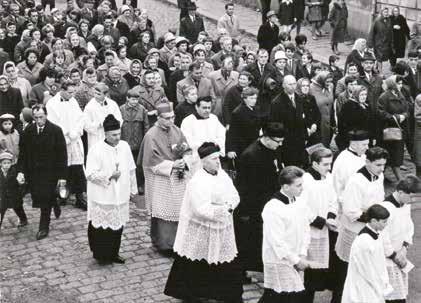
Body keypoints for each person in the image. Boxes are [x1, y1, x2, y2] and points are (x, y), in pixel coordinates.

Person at [164, 142, 243, 303]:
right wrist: (222, 210)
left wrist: (228, 207)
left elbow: (234, 195)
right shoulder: (197, 181)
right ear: (204, 161)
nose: (218, 162)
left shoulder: (222, 174)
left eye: (218, 158)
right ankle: (194, 294)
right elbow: (200, 208)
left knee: (223, 259)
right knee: (197, 260)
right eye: (214, 159)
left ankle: (227, 295)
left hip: (221, 226)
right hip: (201, 228)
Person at [334, 146, 388, 302]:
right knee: (347, 273)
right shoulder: (356, 181)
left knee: (368, 270)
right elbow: (350, 211)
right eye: (378, 165)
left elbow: (380, 198)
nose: (382, 169)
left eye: (384, 165)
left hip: (372, 228)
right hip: (355, 230)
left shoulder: (380, 176)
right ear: (367, 162)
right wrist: (373, 217)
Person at [86, 114, 137, 265]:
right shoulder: (96, 149)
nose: (117, 137)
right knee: (101, 228)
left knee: (118, 225)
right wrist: (109, 175)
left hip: (120, 193)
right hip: (103, 194)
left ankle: (114, 252)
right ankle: (101, 254)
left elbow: (131, 168)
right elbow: (90, 173)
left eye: (119, 134)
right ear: (106, 134)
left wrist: (133, 189)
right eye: (113, 135)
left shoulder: (125, 146)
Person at [139, 102, 191, 253]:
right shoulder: (151, 135)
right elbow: (150, 162)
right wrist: (172, 165)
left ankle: (178, 242)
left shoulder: (176, 130)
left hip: (178, 176)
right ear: (158, 118)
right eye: (167, 118)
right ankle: (164, 244)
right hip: (161, 179)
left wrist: (184, 160)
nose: (171, 121)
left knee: (179, 208)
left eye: (173, 117)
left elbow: (187, 149)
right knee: (163, 210)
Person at [259, 166, 315, 303]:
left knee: (285, 297)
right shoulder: (273, 208)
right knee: (282, 295)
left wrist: (301, 253)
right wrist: (295, 260)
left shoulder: (300, 202)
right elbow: (276, 241)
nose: (302, 188)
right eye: (298, 185)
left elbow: (306, 228)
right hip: (279, 260)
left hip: (296, 256)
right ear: (285, 187)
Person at [235, 122, 285, 275]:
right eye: (278, 141)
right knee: (252, 238)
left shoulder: (273, 147)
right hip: (255, 204)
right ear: (267, 138)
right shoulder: (250, 155)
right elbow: (245, 187)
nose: (280, 144)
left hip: (270, 199)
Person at [17, 104, 67, 240]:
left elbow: (62, 155)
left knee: (45, 200)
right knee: (39, 197)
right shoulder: (28, 131)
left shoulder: (56, 131)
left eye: (41, 117)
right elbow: (23, 153)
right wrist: (21, 171)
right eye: (36, 117)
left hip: (50, 172)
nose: (39, 120)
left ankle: (43, 227)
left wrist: (62, 177)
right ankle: (54, 201)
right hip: (34, 172)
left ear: (46, 115)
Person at [301, 148, 338, 302]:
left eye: (330, 164)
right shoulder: (305, 180)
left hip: (326, 230)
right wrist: (322, 222)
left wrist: (330, 216)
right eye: (325, 164)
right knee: (309, 273)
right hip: (311, 231)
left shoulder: (328, 177)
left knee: (320, 272)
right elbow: (303, 208)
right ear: (315, 164)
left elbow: (333, 200)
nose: (329, 168)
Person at [46, 80, 87, 210]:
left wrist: (76, 132)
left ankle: (79, 197)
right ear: (62, 90)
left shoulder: (73, 101)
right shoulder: (52, 104)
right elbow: (53, 122)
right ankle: (61, 195)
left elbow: (80, 118)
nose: (72, 95)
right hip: (61, 139)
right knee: (62, 167)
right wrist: (67, 133)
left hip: (74, 139)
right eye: (70, 92)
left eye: (74, 92)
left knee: (77, 167)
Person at [341, 204, 393, 303]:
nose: (386, 224)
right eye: (384, 222)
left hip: (374, 282)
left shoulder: (377, 234)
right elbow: (366, 270)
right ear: (373, 221)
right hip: (363, 284)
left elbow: (380, 261)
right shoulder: (364, 241)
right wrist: (379, 288)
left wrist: (384, 282)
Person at [381, 175, 419, 303]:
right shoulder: (385, 207)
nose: (412, 201)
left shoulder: (405, 205)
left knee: (400, 296)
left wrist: (405, 247)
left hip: (400, 255)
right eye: (411, 197)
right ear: (400, 192)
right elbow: (382, 236)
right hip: (386, 259)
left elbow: (409, 227)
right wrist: (393, 255)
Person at [378, 75, 410, 181]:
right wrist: (395, 117)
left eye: (401, 83)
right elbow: (381, 113)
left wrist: (404, 115)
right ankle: (393, 178)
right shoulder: (384, 97)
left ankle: (391, 176)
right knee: (390, 155)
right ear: (392, 84)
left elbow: (407, 108)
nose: (400, 86)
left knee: (397, 155)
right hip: (389, 131)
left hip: (400, 130)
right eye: (398, 83)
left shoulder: (401, 94)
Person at [270, 75, 307, 167]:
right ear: (283, 85)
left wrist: (305, 136)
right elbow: (275, 124)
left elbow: (302, 119)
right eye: (290, 84)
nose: (293, 86)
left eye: (294, 84)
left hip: (299, 140)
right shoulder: (277, 102)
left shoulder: (299, 99)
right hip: (287, 141)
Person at [226, 87, 262, 161]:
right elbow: (232, 132)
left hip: (255, 143)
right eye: (251, 98)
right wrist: (231, 149)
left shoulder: (256, 109)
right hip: (243, 145)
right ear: (245, 99)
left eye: (255, 98)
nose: (254, 101)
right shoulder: (237, 112)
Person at [83, 82, 122, 150]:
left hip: (111, 137)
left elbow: (119, 120)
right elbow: (86, 125)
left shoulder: (112, 104)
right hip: (96, 138)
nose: (95, 96)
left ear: (106, 94)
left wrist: (112, 124)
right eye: (94, 93)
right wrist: (99, 124)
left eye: (98, 94)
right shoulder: (89, 107)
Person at [0, 151, 27, 230]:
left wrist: (20, 182)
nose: (6, 165)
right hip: (3, 196)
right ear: (0, 164)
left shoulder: (14, 171)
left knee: (18, 207)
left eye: (8, 163)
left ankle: (23, 219)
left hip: (14, 194)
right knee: (1, 210)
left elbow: (21, 183)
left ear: (11, 163)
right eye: (4, 163)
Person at [310, 71, 334, 147]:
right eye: (327, 82)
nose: (329, 83)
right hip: (318, 121)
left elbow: (331, 104)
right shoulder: (311, 88)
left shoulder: (331, 86)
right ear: (321, 80)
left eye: (331, 81)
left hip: (328, 121)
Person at [296, 78, 321, 147]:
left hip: (313, 129)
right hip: (302, 131)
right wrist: (306, 128)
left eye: (307, 86)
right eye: (303, 86)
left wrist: (315, 124)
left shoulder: (311, 98)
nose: (305, 88)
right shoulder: (296, 100)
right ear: (299, 87)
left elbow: (317, 113)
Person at [368, 7, 393, 73]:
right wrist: (370, 44)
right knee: (379, 58)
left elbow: (391, 32)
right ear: (381, 12)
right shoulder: (377, 21)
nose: (386, 13)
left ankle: (375, 68)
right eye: (385, 12)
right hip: (378, 42)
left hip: (386, 43)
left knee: (381, 57)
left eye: (387, 12)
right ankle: (380, 72)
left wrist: (391, 42)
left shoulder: (389, 20)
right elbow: (372, 32)